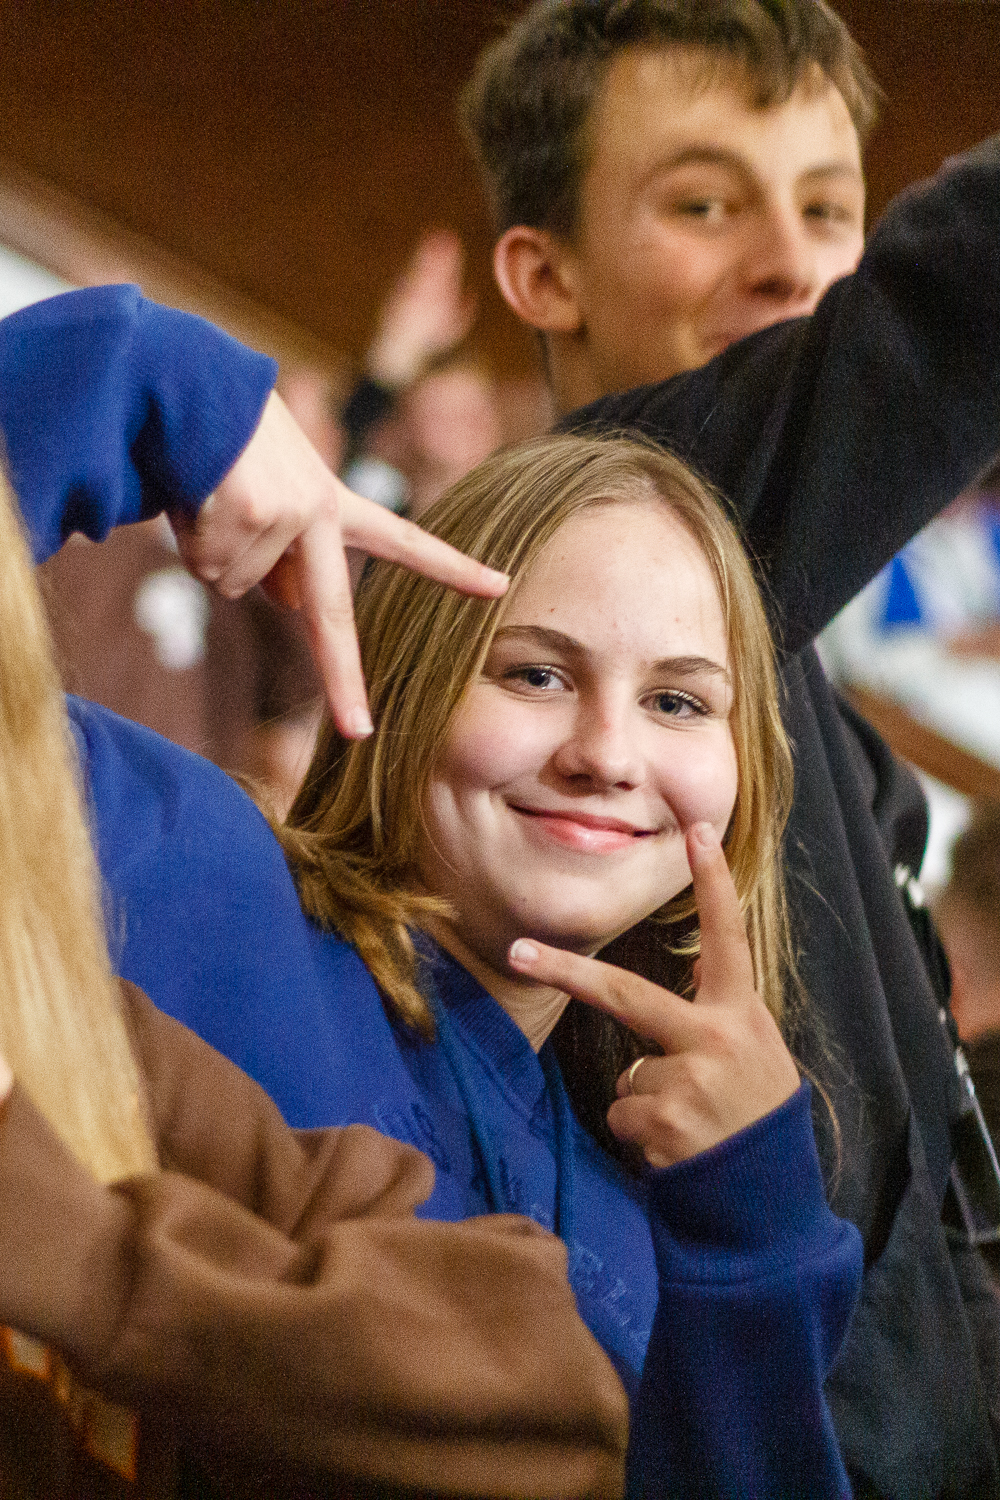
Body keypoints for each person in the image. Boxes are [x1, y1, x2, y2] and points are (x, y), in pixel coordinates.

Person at [460, 3, 1000, 1491]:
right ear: (544, 274)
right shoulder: (607, 505)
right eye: (703, 204)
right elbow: (939, 309)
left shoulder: (827, 715)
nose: (789, 264)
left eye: (828, 210)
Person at [0, 456, 627, 1498]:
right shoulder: (217, 883)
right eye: (533, 676)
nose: (606, 753)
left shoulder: (108, 1031)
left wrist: (90, 1258)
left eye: (678, 701)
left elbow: (547, 1401)